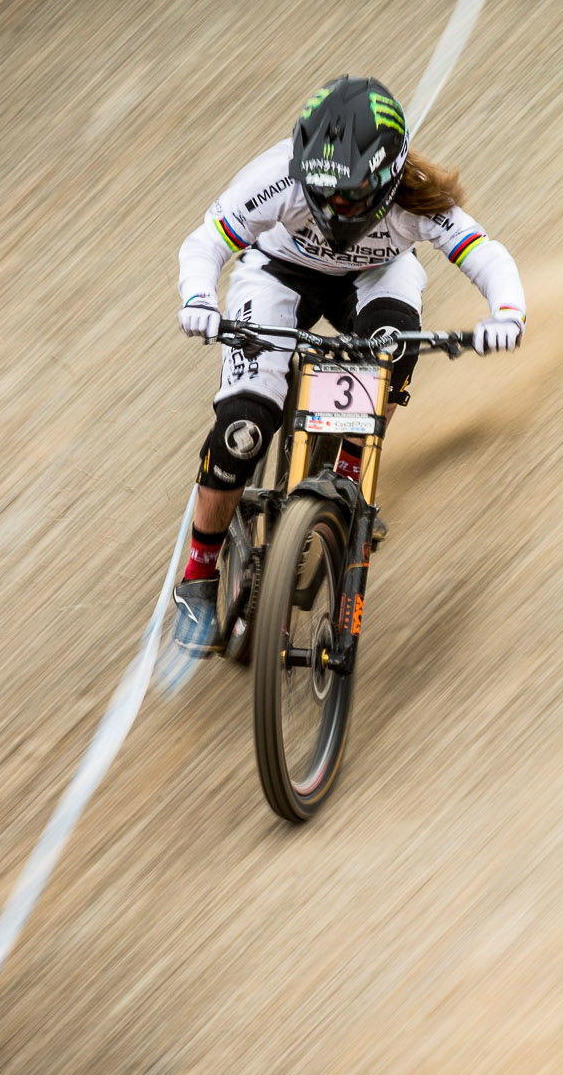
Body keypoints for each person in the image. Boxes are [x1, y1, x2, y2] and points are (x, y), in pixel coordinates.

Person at [169, 75, 527, 654]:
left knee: (391, 349)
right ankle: (198, 575)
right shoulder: (277, 177)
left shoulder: (416, 196)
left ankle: (353, 465)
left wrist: (507, 312)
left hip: (376, 276)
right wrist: (199, 300)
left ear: (389, 179)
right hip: (278, 275)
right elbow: (206, 242)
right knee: (242, 428)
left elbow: (485, 254)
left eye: (349, 196)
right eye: (322, 192)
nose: (332, 206)